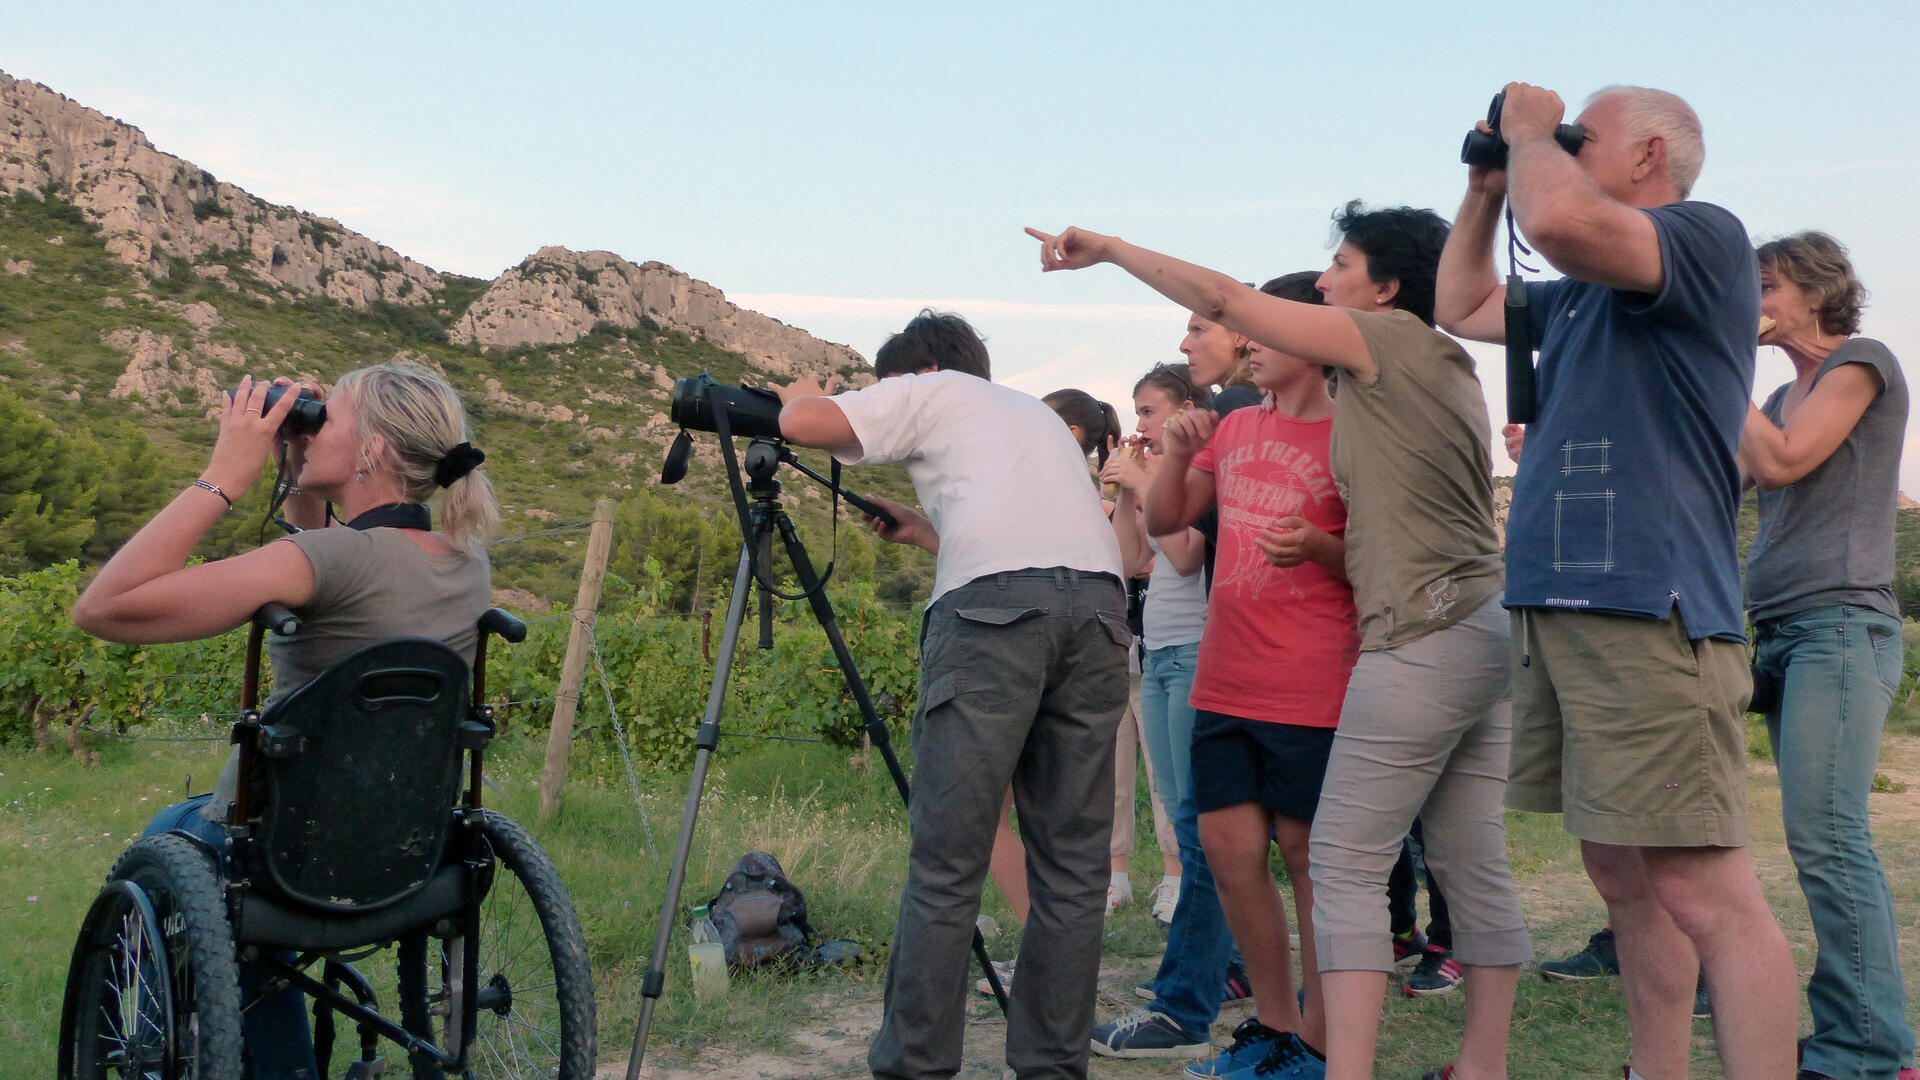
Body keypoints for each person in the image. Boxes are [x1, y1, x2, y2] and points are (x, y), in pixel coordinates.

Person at [1032, 197, 1532, 1080]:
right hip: (1474, 623)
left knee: (1339, 864)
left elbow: (1228, 299)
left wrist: (1107, 247)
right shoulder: (1410, 380)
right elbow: (1186, 514)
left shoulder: (1392, 345)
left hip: (1415, 634)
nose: (1324, 283)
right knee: (1468, 860)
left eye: (1340, 266)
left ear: (1385, 290)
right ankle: (1477, 1063)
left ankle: (1326, 1057)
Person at [1434, 82, 1797, 1080]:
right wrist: (1485, 188)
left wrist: (1526, 129)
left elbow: (1558, 221)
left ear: (1647, 156)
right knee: (1624, 876)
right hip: (1565, 603)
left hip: (1650, 603)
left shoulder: (1704, 237)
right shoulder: (1586, 292)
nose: (1558, 148)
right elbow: (1460, 305)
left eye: (1578, 137)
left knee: (1705, 893)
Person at [73, 362, 499, 1080]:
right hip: (404, 844)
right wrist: (303, 471)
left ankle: (153, 1047)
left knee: (169, 835)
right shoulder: (466, 563)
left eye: (326, 418)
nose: (310, 425)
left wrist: (224, 476)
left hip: (280, 848)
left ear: (373, 449)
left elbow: (103, 608)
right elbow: (348, 567)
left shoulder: (321, 560)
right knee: (202, 833)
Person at [1031, 237, 1364, 1078]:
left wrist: (1320, 548)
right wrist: (1177, 453)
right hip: (1224, 675)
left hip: (1313, 681)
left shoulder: (1357, 435)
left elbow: (1383, 558)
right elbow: (1170, 524)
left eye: (1270, 329)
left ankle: (1322, 1039)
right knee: (1227, 851)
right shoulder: (1238, 424)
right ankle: (1274, 1027)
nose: (1253, 341)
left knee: (1307, 860)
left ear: (1316, 341)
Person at [773, 310, 1129, 1080]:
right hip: (1099, 611)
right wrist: (923, 529)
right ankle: (1052, 1069)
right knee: (1072, 868)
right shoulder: (1032, 415)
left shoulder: (932, 389)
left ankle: (917, 1066)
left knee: (948, 863)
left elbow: (803, 424)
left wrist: (799, 392)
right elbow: (1040, 555)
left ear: (921, 371)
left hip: (992, 623)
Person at [1740, 232, 1915, 1080]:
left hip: (1841, 627)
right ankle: (1849, 1031)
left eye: (1766, 286)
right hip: (1777, 629)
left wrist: (1710, 358)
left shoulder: (1862, 362)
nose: (1752, 301)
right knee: (1811, 836)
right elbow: (1720, 476)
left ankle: (1871, 1049)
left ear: (1815, 291)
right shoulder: (1778, 396)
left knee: (1829, 837)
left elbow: (1782, 463)